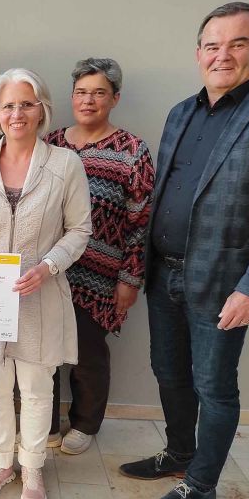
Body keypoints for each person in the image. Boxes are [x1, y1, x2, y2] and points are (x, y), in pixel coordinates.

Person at [120, 2, 249, 499]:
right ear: (198, 54)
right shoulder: (181, 113)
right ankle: (178, 453)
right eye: (213, 46)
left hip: (224, 280)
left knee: (214, 386)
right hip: (164, 272)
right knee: (168, 370)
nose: (223, 55)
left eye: (238, 44)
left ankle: (201, 486)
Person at [0, 68, 91, 499]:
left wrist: (48, 266)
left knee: (36, 388)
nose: (17, 113)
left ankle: (31, 466)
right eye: (8, 105)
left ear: (41, 110)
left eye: (26, 104)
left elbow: (80, 229)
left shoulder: (64, 165)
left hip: (39, 295)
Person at [47, 58, 154, 454]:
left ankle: (84, 424)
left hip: (99, 276)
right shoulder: (51, 143)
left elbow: (142, 221)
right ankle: (45, 423)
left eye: (98, 93)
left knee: (87, 353)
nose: (88, 101)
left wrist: (130, 279)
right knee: (42, 352)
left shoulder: (131, 151)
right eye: (81, 92)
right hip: (47, 270)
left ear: (115, 99)